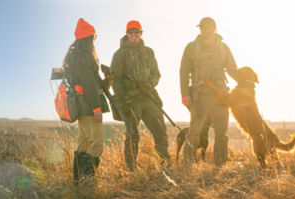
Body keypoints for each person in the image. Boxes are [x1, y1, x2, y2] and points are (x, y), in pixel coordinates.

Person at [110, 20, 170, 170]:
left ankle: (165, 163)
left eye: (136, 32)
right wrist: (123, 101)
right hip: (131, 100)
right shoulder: (119, 55)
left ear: (141, 33)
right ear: (127, 35)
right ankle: (131, 169)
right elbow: (115, 80)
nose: (134, 35)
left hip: (149, 97)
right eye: (130, 33)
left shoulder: (148, 52)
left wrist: (148, 86)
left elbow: (156, 74)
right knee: (132, 135)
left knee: (160, 131)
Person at [179, 17, 238, 166]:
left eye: (206, 27)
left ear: (214, 28)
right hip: (199, 97)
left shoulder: (223, 48)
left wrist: (245, 82)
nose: (203, 30)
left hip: (220, 96)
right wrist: (185, 94)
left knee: (221, 133)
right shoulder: (191, 48)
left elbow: (233, 70)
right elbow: (183, 72)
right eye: (201, 27)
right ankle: (187, 166)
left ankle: (220, 165)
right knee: (194, 132)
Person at [65, 18, 110, 182]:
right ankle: (88, 182)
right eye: (93, 37)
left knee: (83, 143)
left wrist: (106, 81)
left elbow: (91, 82)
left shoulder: (74, 57)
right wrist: (97, 108)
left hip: (81, 107)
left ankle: (77, 180)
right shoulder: (85, 58)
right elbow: (90, 84)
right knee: (96, 143)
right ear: (88, 39)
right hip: (89, 107)